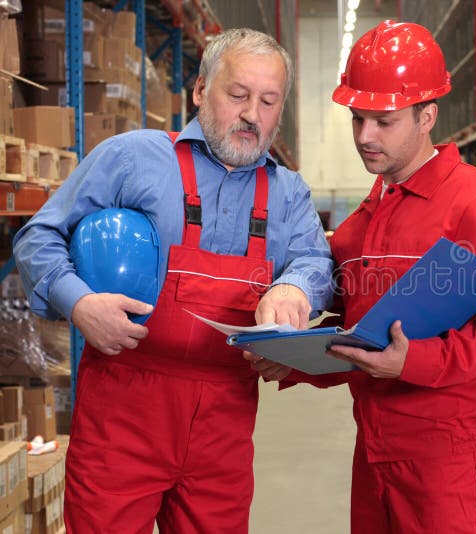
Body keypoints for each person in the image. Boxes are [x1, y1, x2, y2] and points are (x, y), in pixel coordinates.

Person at [12, 28, 333, 533]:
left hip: (223, 426)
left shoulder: (287, 193)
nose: (253, 114)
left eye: (269, 101)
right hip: (122, 416)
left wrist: (295, 288)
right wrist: (78, 304)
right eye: (238, 95)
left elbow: (316, 261)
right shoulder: (131, 159)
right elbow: (40, 236)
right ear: (201, 90)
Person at [248, 21, 476, 534]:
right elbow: (361, 336)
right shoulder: (360, 225)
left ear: (427, 116)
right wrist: (293, 358)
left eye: (384, 121)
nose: (365, 137)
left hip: (448, 453)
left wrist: (416, 362)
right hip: (375, 448)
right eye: (357, 119)